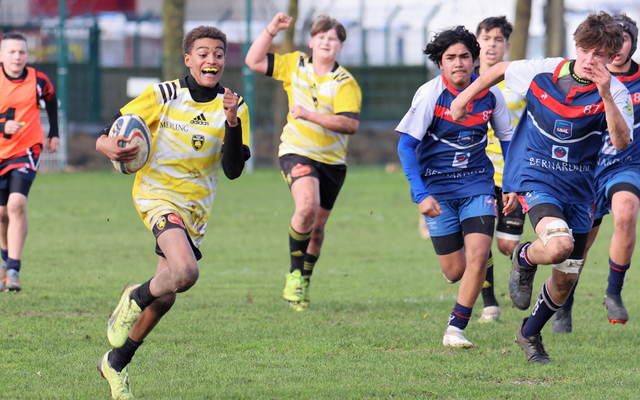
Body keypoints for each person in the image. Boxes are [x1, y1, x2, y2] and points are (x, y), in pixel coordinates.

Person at [450, 11, 633, 364]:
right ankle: (525, 256)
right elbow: (499, 70)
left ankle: (529, 332)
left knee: (565, 279)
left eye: (600, 56)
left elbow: (621, 141)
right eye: (586, 51)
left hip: (580, 189)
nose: (591, 61)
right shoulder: (546, 70)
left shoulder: (617, 90)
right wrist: (464, 98)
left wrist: (607, 94)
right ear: (577, 46)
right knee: (559, 245)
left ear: (612, 58)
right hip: (537, 176)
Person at [95, 26, 250, 399]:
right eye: (202, 53)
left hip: (196, 210)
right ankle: (133, 298)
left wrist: (232, 122)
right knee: (185, 272)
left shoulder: (234, 104)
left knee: (167, 294)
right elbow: (107, 132)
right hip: (157, 196)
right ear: (188, 59)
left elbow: (232, 169)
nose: (210, 60)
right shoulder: (163, 95)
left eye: (217, 53)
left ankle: (114, 364)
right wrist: (109, 149)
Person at [396, 26, 513, 348]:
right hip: (438, 191)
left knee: (478, 254)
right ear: (440, 63)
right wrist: (421, 195)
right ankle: (456, 249)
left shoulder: (491, 95)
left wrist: (514, 185)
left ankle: (455, 329)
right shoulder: (430, 94)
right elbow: (406, 148)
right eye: (451, 58)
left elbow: (508, 142)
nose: (459, 63)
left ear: (475, 61)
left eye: (465, 56)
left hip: (477, 184)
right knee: (454, 271)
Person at [245, 13, 362, 311]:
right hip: (297, 151)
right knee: (306, 206)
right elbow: (254, 61)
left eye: (332, 38)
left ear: (340, 47)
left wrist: (309, 114)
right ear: (310, 42)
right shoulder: (294, 64)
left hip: (333, 163)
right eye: (321, 37)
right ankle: (294, 274)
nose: (326, 42)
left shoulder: (345, 83)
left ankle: (303, 282)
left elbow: (349, 125)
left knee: (317, 229)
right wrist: (271, 29)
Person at [552, 14, 640, 333]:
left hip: (625, 165)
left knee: (626, 212)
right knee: (579, 246)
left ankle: (614, 292)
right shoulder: (575, 76)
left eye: (623, 38)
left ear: (629, 43)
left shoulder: (633, 84)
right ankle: (563, 301)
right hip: (587, 170)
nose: (612, 49)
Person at [474, 16, 527, 323]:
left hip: (512, 175)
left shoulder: (519, 82)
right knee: (478, 239)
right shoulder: (464, 79)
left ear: (506, 46)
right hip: (476, 175)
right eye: (486, 38)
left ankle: (523, 262)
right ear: (477, 42)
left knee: (506, 245)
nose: (491, 45)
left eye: (497, 40)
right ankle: (489, 302)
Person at [0, 32, 59, 292]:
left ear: (28, 55)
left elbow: (51, 100)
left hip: (27, 149)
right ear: (2, 56)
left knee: (17, 204)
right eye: (11, 52)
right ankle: (5, 261)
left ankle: (13, 269)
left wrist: (54, 132)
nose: (17, 57)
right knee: (2, 213)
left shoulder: (38, 79)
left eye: (22, 52)